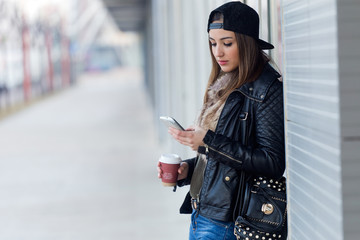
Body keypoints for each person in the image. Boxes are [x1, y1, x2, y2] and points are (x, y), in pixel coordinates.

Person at [157, 2, 286, 240]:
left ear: (247, 43)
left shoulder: (266, 89)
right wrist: (189, 169)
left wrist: (207, 142)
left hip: (228, 223)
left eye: (227, 43)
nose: (218, 52)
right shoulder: (225, 84)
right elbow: (223, 158)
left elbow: (272, 161)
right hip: (201, 215)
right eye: (213, 43)